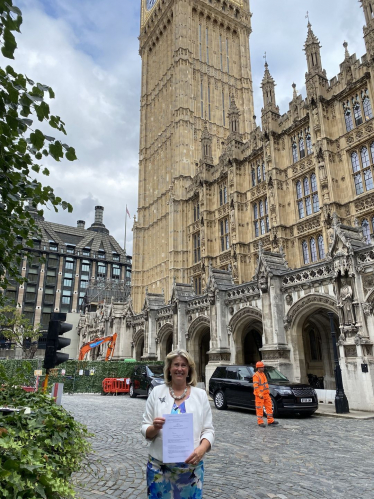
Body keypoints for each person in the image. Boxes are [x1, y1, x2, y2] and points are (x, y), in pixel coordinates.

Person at [141, 349, 215, 498]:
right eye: (176, 365)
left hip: (191, 470)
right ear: (169, 369)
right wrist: (154, 428)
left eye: (183, 365)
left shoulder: (200, 395)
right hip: (159, 468)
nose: (179, 369)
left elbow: (208, 430)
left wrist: (202, 449)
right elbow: (144, 427)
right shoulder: (156, 392)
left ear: (189, 370)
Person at [253, 361, 279, 428]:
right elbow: (255, 386)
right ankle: (260, 422)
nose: (263, 368)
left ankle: (270, 421)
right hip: (259, 395)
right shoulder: (256, 375)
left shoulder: (263, 374)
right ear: (258, 368)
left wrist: (268, 392)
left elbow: (265, 384)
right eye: (262, 367)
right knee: (259, 408)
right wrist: (259, 394)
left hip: (266, 394)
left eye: (263, 366)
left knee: (269, 407)